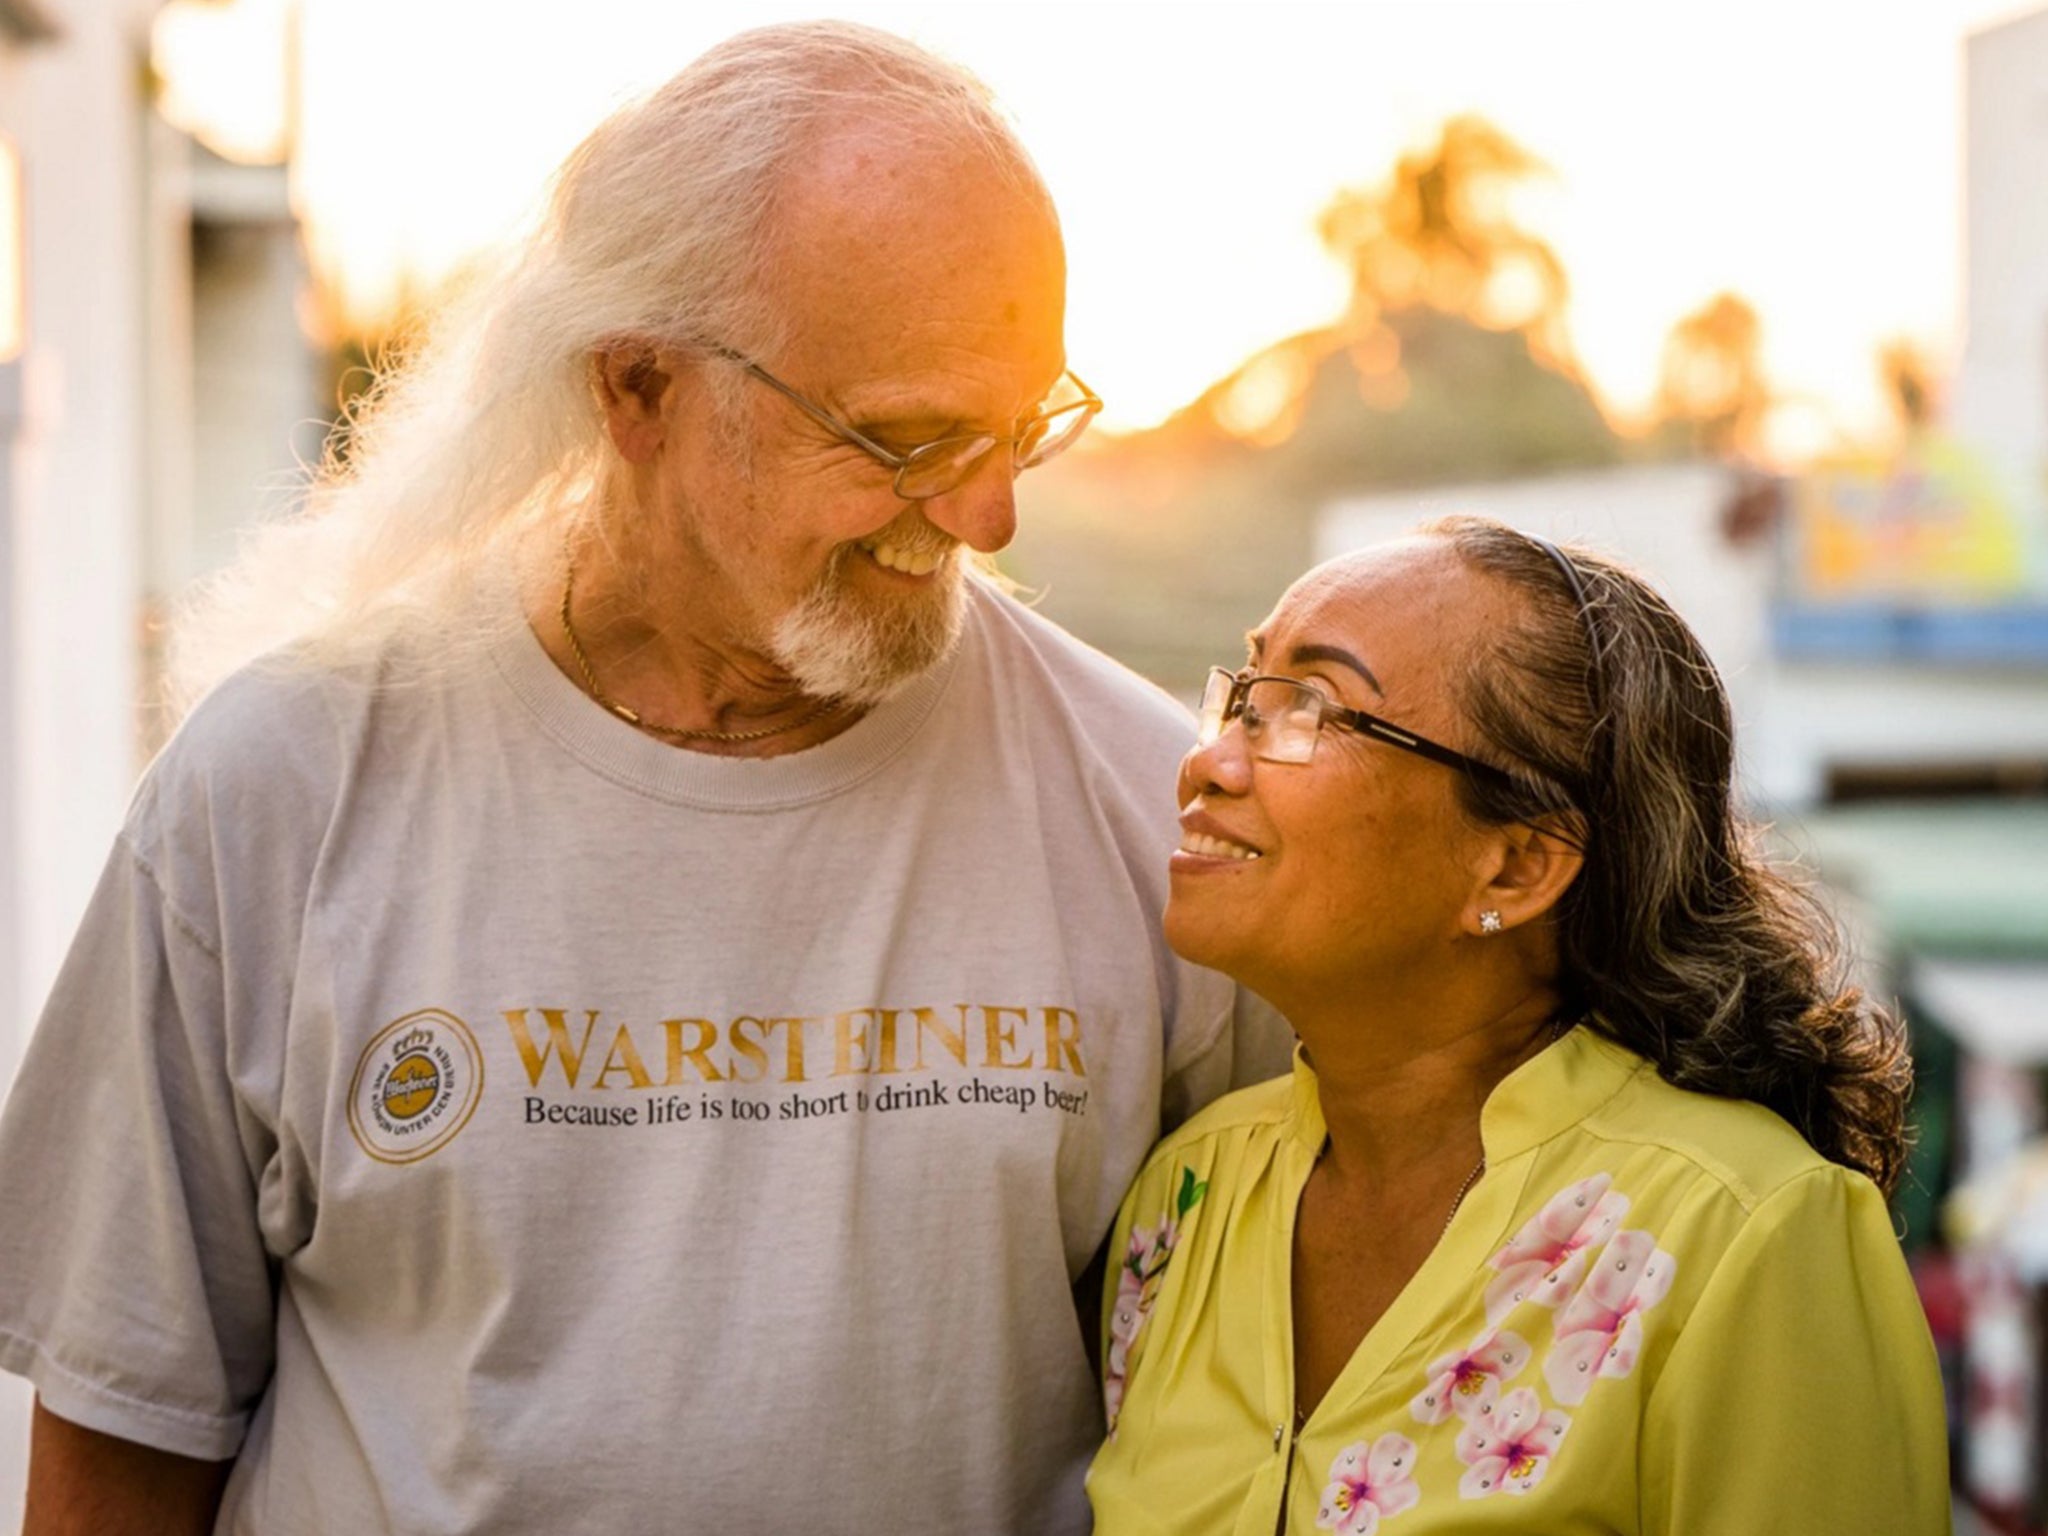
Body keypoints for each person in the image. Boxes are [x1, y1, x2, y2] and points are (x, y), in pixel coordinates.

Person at [0, 23, 1287, 1535]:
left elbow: (1267, 1418)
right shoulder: (276, 795)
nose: (989, 515)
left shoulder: (1156, 815)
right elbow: (124, 1451)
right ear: (634, 388)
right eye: (907, 437)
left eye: (1021, 426)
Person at [1087, 517, 1950, 1534]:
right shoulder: (1185, 1202)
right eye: (1240, 695)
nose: (1209, 765)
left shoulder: (1742, 1230)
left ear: (1514, 866)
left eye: (1309, 709)